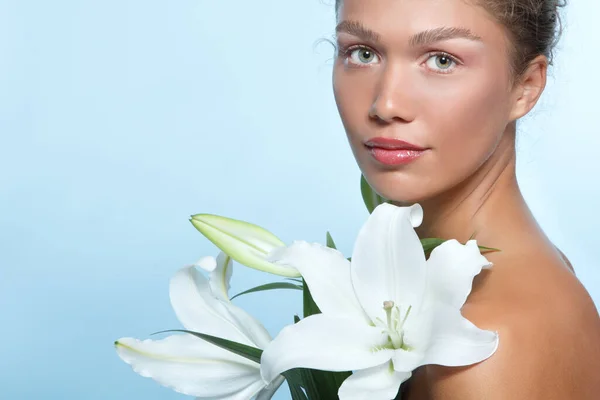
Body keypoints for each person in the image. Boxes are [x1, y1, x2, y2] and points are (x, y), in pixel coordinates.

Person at [332, 0, 600, 398]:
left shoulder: (485, 346)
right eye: (363, 53)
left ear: (525, 87)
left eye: (441, 60)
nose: (386, 105)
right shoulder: (517, 273)